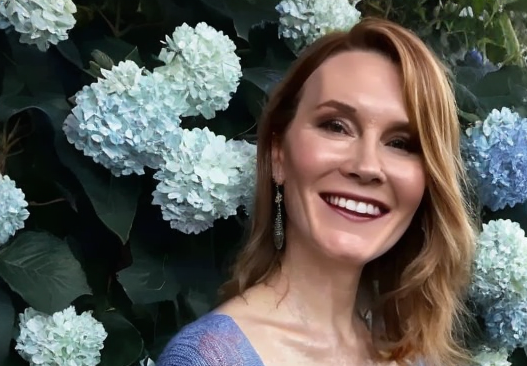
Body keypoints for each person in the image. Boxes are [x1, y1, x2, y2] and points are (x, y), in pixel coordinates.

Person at [157, 17, 476, 366]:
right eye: (336, 126)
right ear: (278, 155)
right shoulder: (208, 359)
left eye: (401, 143)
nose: (367, 165)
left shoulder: (414, 356)